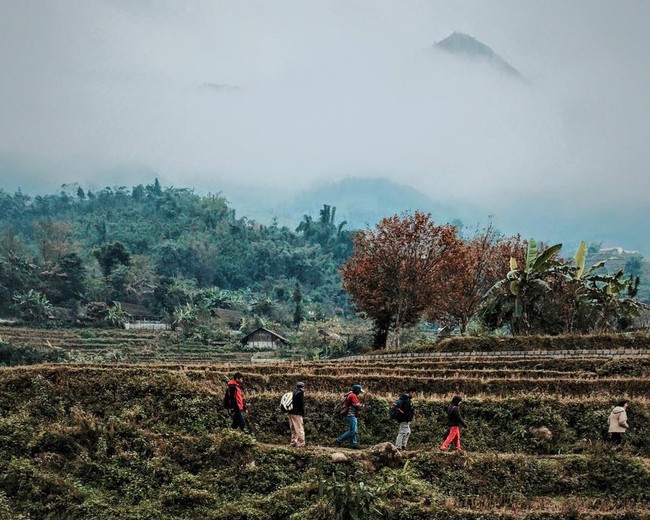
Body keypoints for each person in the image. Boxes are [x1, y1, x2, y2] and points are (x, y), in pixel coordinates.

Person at [335, 384, 365, 449]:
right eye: (359, 391)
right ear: (356, 390)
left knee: (354, 430)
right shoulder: (352, 395)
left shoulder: (351, 395)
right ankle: (339, 440)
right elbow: (356, 405)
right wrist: (362, 405)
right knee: (353, 431)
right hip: (351, 415)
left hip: (352, 415)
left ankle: (353, 444)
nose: (359, 393)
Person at [289, 382, 305, 448]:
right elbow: (301, 404)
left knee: (293, 428)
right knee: (299, 429)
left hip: (290, 413)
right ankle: (301, 444)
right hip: (297, 413)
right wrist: (302, 413)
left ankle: (293, 442)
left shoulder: (293, 392)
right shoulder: (300, 393)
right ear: (302, 387)